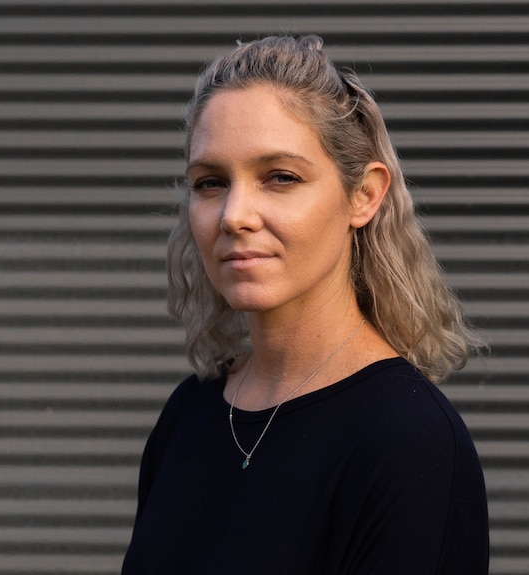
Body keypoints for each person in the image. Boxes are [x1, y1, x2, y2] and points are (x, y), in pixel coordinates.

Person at [121, 34, 488, 574]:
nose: (234, 215)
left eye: (280, 177)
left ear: (363, 195)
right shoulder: (188, 415)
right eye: (210, 182)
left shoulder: (412, 444)